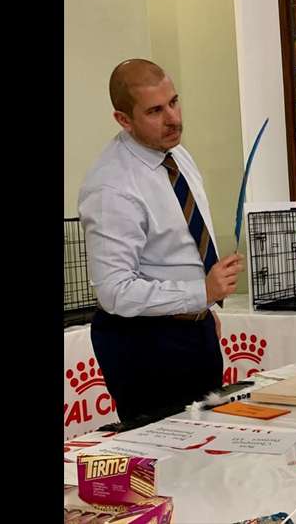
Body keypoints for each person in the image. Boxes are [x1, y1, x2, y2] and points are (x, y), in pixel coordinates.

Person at [78, 59, 243, 425]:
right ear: (124, 119)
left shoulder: (177, 155)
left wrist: (202, 310)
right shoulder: (112, 187)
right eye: (155, 110)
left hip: (193, 328)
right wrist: (198, 294)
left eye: (174, 102)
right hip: (143, 343)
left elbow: (178, 249)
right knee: (165, 459)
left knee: (211, 442)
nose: (173, 118)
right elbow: (115, 291)